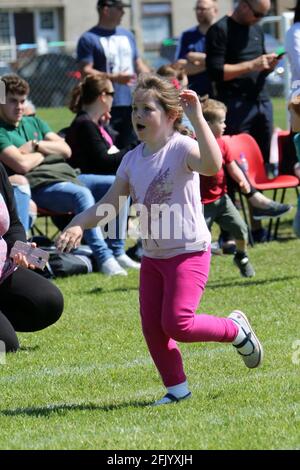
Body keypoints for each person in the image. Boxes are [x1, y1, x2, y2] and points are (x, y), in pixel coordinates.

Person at [56, 73, 263, 406]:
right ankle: (177, 390)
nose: (138, 115)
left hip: (189, 252)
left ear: (170, 116)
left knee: (178, 323)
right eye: (135, 108)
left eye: (147, 109)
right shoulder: (131, 160)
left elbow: (211, 165)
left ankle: (236, 330)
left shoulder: (182, 148)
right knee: (153, 328)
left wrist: (197, 117)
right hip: (153, 258)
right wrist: (79, 223)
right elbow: (110, 204)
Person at [0, 74, 137, 276]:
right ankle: (103, 257)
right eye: (13, 101)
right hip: (39, 185)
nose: (19, 107)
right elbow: (20, 165)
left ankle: (117, 251)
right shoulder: (1, 131)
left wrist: (35, 147)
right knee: (81, 194)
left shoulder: (34, 122)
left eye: (22, 101)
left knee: (116, 184)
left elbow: (66, 149)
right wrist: (46, 152)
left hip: (67, 176)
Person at [0, 162, 63, 352]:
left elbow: (14, 224)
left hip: (2, 267)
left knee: (49, 301)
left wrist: (22, 248)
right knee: (6, 346)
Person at [205, 0, 278, 166]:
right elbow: (216, 72)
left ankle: (259, 189)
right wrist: (252, 65)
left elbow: (260, 64)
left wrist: (268, 66)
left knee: (263, 156)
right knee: (237, 157)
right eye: (258, 14)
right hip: (235, 103)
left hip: (261, 100)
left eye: (263, 15)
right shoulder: (220, 30)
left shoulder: (256, 29)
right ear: (244, 5)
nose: (259, 19)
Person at [76, 0, 150, 148]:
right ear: (106, 9)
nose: (123, 12)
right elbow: (85, 71)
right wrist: (115, 78)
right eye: (119, 8)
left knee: (132, 147)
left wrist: (154, 80)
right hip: (104, 105)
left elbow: (138, 64)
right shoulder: (88, 38)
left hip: (132, 103)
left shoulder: (127, 35)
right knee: (110, 147)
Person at [175, 0, 218, 96]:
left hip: (221, 97)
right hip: (196, 96)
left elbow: (231, 63)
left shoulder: (224, 33)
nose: (199, 12)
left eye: (203, 9)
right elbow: (180, 67)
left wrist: (197, 59)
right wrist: (215, 63)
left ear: (215, 10)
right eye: (197, 9)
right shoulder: (187, 35)